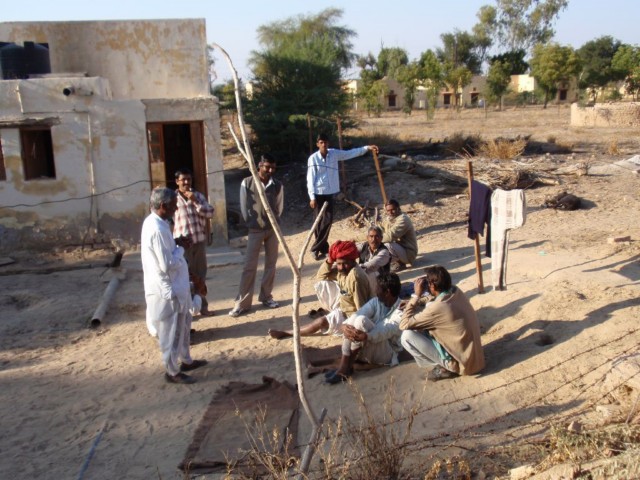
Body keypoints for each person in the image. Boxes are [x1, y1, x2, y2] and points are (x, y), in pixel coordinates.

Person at [141, 187, 207, 384]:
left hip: (178, 285)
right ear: (163, 206)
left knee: (185, 324)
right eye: (173, 206)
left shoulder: (158, 223)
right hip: (167, 290)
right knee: (171, 332)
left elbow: (166, 251)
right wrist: (182, 248)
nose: (176, 209)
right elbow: (167, 263)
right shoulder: (156, 229)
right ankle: (172, 371)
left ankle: (185, 360)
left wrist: (176, 242)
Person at [268, 240, 372, 339]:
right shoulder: (343, 271)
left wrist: (348, 326)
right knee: (321, 321)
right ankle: (287, 333)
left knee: (327, 324)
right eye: (339, 263)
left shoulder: (355, 277)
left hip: (354, 316)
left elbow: (362, 309)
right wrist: (330, 260)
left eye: (345, 263)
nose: (341, 267)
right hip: (344, 311)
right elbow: (321, 277)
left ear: (353, 261)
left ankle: (286, 333)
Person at [399, 265, 484, 381]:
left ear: (432, 286)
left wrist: (416, 296)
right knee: (427, 313)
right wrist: (415, 301)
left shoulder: (436, 308)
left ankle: (445, 368)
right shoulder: (455, 291)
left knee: (407, 336)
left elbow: (404, 324)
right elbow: (433, 299)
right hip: (475, 359)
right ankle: (446, 363)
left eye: (428, 283)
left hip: (462, 365)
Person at [307, 133, 378, 261]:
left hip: (329, 192)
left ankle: (316, 248)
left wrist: (366, 148)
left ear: (328, 144)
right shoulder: (313, 158)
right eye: (321, 142)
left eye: (326, 142)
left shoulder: (333, 154)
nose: (324, 145)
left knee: (327, 220)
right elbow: (310, 178)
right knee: (318, 222)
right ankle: (321, 248)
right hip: (318, 193)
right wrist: (311, 197)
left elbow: (350, 153)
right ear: (318, 144)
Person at [229, 154, 284, 318]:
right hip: (254, 230)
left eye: (273, 167)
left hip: (273, 229)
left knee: (271, 264)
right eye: (267, 166)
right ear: (259, 165)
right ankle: (243, 303)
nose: (270, 170)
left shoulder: (277, 185)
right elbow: (244, 208)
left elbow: (279, 207)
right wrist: (253, 223)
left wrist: (272, 222)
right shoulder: (247, 183)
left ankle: (267, 297)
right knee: (249, 267)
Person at [325, 272, 404, 385]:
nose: (376, 291)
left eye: (378, 288)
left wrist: (366, 336)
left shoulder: (401, 310)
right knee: (357, 319)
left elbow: (386, 331)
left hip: (388, 352)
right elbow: (357, 314)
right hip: (370, 343)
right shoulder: (376, 302)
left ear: (387, 292)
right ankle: (346, 365)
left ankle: (346, 366)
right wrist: (344, 326)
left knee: (361, 321)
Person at [173, 168, 215, 315]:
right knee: (185, 276)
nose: (186, 182)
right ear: (177, 181)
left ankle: (203, 307)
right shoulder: (172, 198)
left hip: (198, 242)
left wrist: (196, 202)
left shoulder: (197, 196)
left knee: (201, 274)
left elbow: (210, 212)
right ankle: (188, 310)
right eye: (183, 180)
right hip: (182, 246)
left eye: (189, 179)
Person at [380, 199, 418, 272]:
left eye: (393, 209)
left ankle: (399, 263)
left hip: (408, 254)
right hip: (399, 250)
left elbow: (389, 236)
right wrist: (356, 239)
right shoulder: (388, 219)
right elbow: (374, 230)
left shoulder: (403, 219)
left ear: (398, 208)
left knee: (387, 245)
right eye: (388, 210)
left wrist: (372, 240)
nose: (390, 212)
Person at [357, 225, 391, 292]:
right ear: (367, 238)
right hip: (363, 275)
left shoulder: (384, 252)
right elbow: (352, 251)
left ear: (381, 238)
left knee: (371, 274)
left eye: (377, 236)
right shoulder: (364, 246)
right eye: (371, 236)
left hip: (380, 283)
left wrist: (354, 269)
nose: (373, 239)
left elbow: (371, 264)